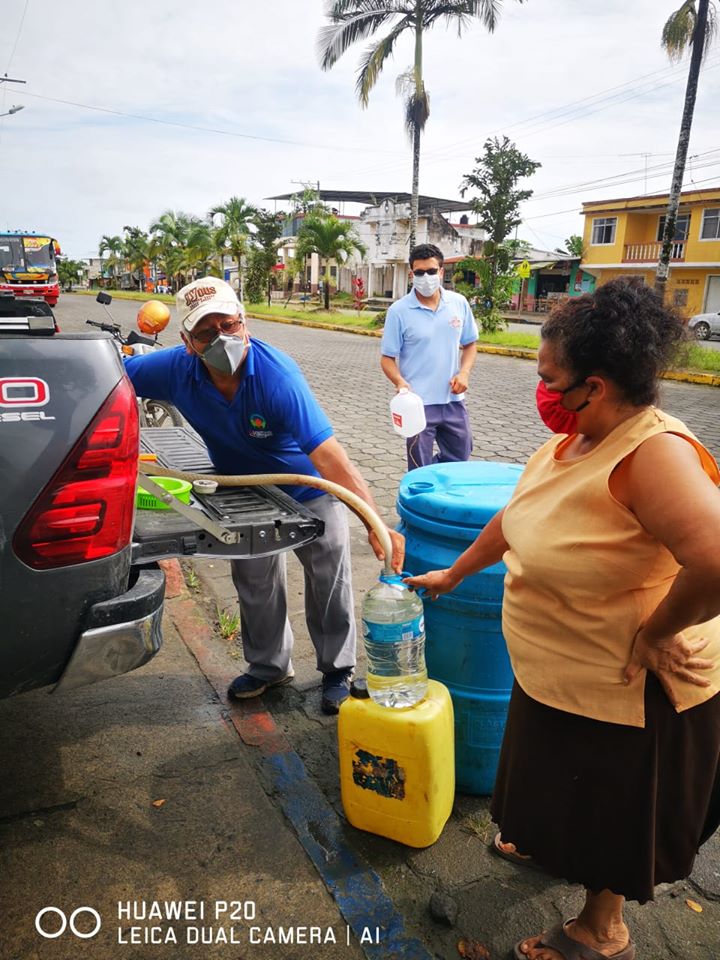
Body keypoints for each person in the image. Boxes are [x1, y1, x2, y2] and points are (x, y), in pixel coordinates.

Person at [406, 279, 720, 960]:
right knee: (558, 787)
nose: (541, 390)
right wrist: (454, 574)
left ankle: (601, 931)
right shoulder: (573, 441)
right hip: (558, 676)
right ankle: (547, 844)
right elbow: (517, 517)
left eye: (549, 379)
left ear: (595, 386)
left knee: (608, 811)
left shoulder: (652, 454)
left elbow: (716, 560)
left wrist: (657, 632)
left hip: (625, 690)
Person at [125, 276, 404, 715]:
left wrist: (373, 521)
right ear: (186, 341)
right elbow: (113, 377)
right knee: (254, 580)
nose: (221, 337)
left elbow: (331, 457)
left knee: (329, 579)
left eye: (228, 324)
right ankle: (269, 667)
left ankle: (337, 669)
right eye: (206, 332)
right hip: (243, 489)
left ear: (245, 321)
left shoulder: (276, 376)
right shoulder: (175, 370)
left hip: (311, 489)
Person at [380, 243, 479, 470]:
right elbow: (387, 358)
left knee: (460, 457)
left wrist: (464, 373)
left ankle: (439, 483)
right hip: (417, 403)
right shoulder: (399, 311)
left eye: (432, 271)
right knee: (419, 466)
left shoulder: (458, 303)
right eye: (420, 272)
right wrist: (399, 382)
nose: (426, 277)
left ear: (441, 272)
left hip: (453, 400)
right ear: (411, 274)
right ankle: (421, 489)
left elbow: (470, 344)